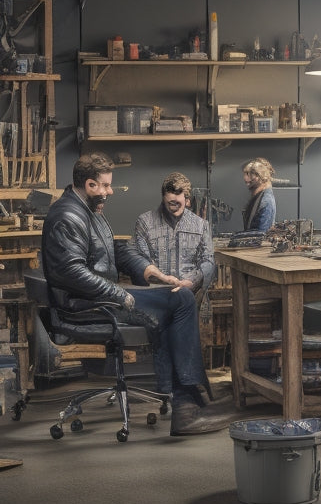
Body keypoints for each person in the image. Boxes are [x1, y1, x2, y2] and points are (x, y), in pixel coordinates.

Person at [41, 153, 228, 436]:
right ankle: (188, 403)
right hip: (87, 306)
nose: (109, 191)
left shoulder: (87, 211)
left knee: (175, 294)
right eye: (104, 186)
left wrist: (154, 273)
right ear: (90, 184)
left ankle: (186, 399)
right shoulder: (68, 216)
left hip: (100, 296)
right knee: (180, 301)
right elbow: (69, 272)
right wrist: (116, 292)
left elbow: (116, 250)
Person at [130, 171, 214, 306]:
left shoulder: (201, 225)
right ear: (163, 197)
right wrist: (163, 280)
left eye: (178, 203)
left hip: (189, 299)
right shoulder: (144, 222)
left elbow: (208, 261)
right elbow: (142, 261)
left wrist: (192, 281)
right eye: (170, 203)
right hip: (154, 299)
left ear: (187, 200)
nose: (174, 207)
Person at [242, 157, 276, 232]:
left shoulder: (266, 200)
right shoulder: (259, 197)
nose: (246, 179)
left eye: (249, 174)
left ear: (259, 177)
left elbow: (261, 234)